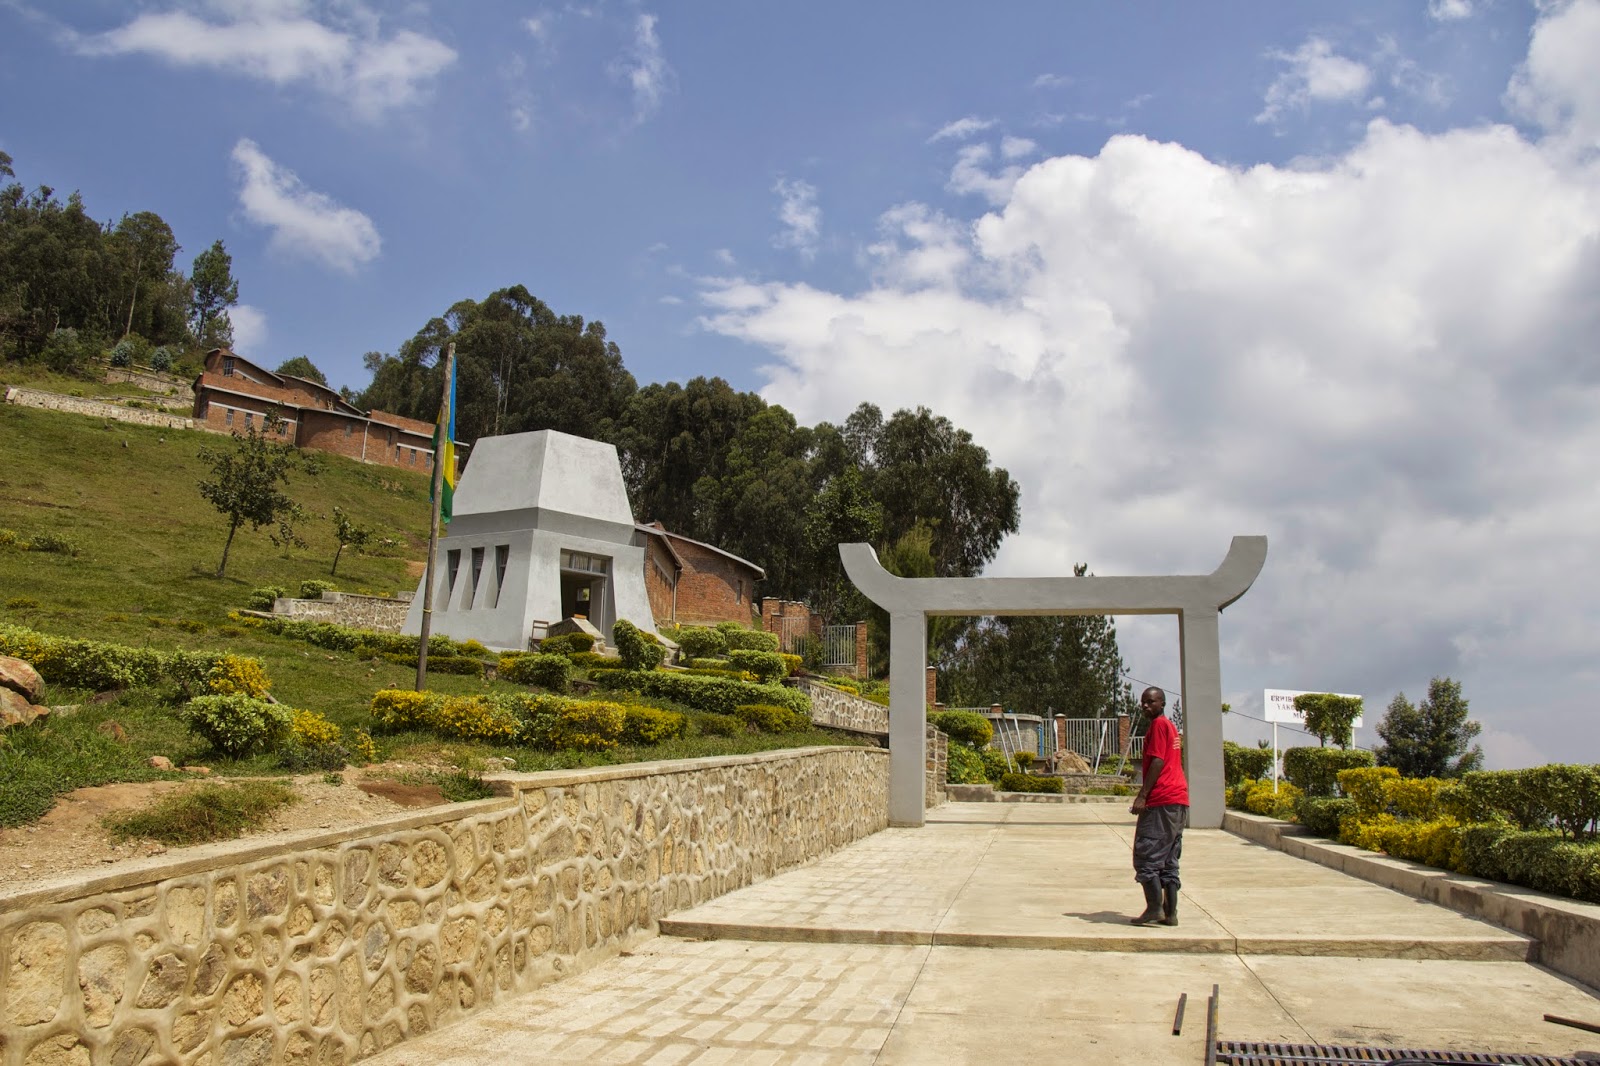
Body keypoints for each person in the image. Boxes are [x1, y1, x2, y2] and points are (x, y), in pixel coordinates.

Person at [1129, 686, 1188, 926]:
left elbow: (1157, 761)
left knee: (1146, 853)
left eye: (1151, 702)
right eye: (1143, 702)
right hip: (1177, 800)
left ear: (1162, 703)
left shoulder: (1158, 726)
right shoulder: (1170, 727)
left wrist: (1143, 795)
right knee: (1168, 857)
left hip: (1162, 799)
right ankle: (1170, 913)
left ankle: (1154, 908)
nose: (1145, 705)